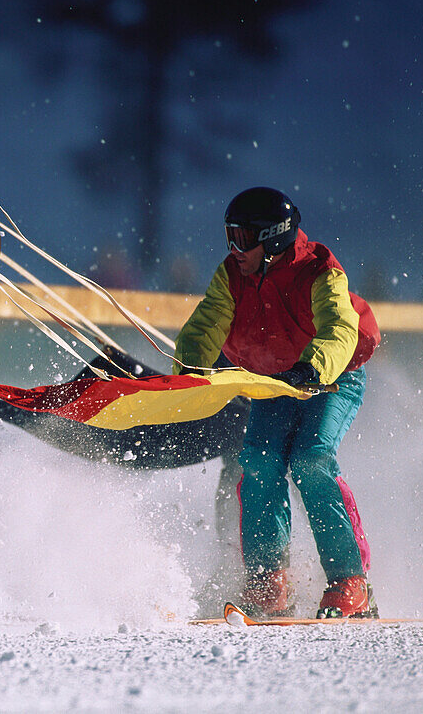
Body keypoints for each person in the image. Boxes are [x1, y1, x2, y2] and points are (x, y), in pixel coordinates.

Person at [173, 187, 381, 619]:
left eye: (244, 237)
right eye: (230, 236)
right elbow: (206, 325)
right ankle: (268, 582)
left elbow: (341, 329)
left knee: (312, 458)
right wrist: (187, 369)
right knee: (259, 462)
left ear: (274, 237)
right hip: (277, 383)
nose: (235, 248)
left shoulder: (319, 271)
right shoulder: (232, 274)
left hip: (332, 378)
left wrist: (314, 368)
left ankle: (350, 581)